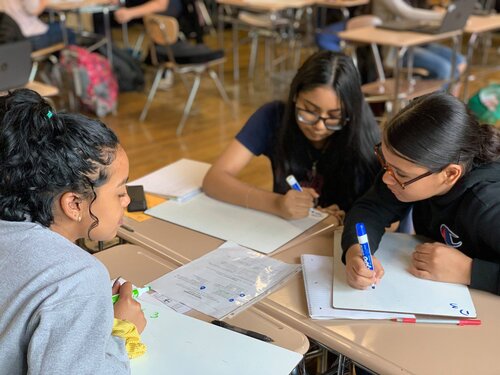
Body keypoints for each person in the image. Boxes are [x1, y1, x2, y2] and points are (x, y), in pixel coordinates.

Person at [0, 89, 146, 373]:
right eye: (119, 192)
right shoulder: (77, 277)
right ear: (74, 204)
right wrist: (122, 333)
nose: (128, 200)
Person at [341, 91, 500, 295]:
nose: (386, 178)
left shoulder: (488, 203)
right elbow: (371, 208)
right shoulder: (412, 169)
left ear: (450, 174)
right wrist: (355, 250)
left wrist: (469, 271)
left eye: (400, 173)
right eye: (385, 163)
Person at [203, 51, 381, 223]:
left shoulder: (365, 136)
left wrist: (345, 220)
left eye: (334, 117)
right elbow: (214, 180)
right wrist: (277, 204)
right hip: (287, 232)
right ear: (295, 95)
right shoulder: (273, 116)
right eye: (310, 111)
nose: (319, 126)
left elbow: (389, 216)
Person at [372, 0, 467, 94]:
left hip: (418, 42)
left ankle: (452, 105)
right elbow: (408, 13)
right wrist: (444, 16)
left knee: (459, 61)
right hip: (398, 51)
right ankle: (434, 106)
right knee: (445, 69)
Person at [0, 0, 75, 50]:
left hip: (7, 39)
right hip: (28, 38)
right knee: (70, 32)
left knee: (55, 25)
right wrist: (44, 1)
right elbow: (33, 10)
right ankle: (68, 68)